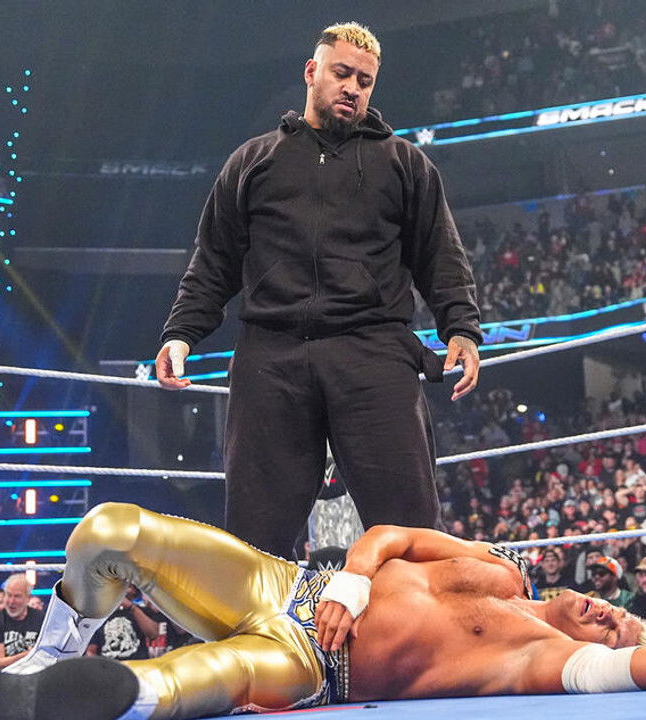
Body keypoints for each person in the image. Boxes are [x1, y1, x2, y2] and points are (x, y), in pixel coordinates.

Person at [0, 503, 646, 720]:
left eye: (617, 623)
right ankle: (50, 657)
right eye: (613, 608)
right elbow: (392, 536)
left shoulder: (531, 657)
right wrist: (352, 578)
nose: (606, 613)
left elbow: (613, 672)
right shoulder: (496, 567)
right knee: (110, 532)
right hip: (284, 585)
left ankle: (43, 702)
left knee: (188, 683)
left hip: (313, 666)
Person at [153, 22, 483, 559]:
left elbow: (441, 254)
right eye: (342, 73)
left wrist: (462, 328)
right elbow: (213, 260)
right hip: (272, 354)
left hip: (373, 349)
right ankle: (265, 618)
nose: (352, 88)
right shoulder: (253, 161)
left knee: (413, 531)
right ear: (312, 72)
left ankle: (414, 617)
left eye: (365, 81)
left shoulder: (404, 163)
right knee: (254, 540)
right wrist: (181, 334)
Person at [0, 575, 44, 670]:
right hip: (6, 676)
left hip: (37, 673)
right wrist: (29, 655)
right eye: (9, 595)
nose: (11, 601)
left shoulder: (40, 618)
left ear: (28, 598)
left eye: (17, 596)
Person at [86, 586, 162, 661]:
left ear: (134, 591)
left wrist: (131, 607)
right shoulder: (100, 616)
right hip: (109, 666)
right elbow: (91, 649)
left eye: (128, 586)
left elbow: (154, 633)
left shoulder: (142, 611)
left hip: (137, 665)